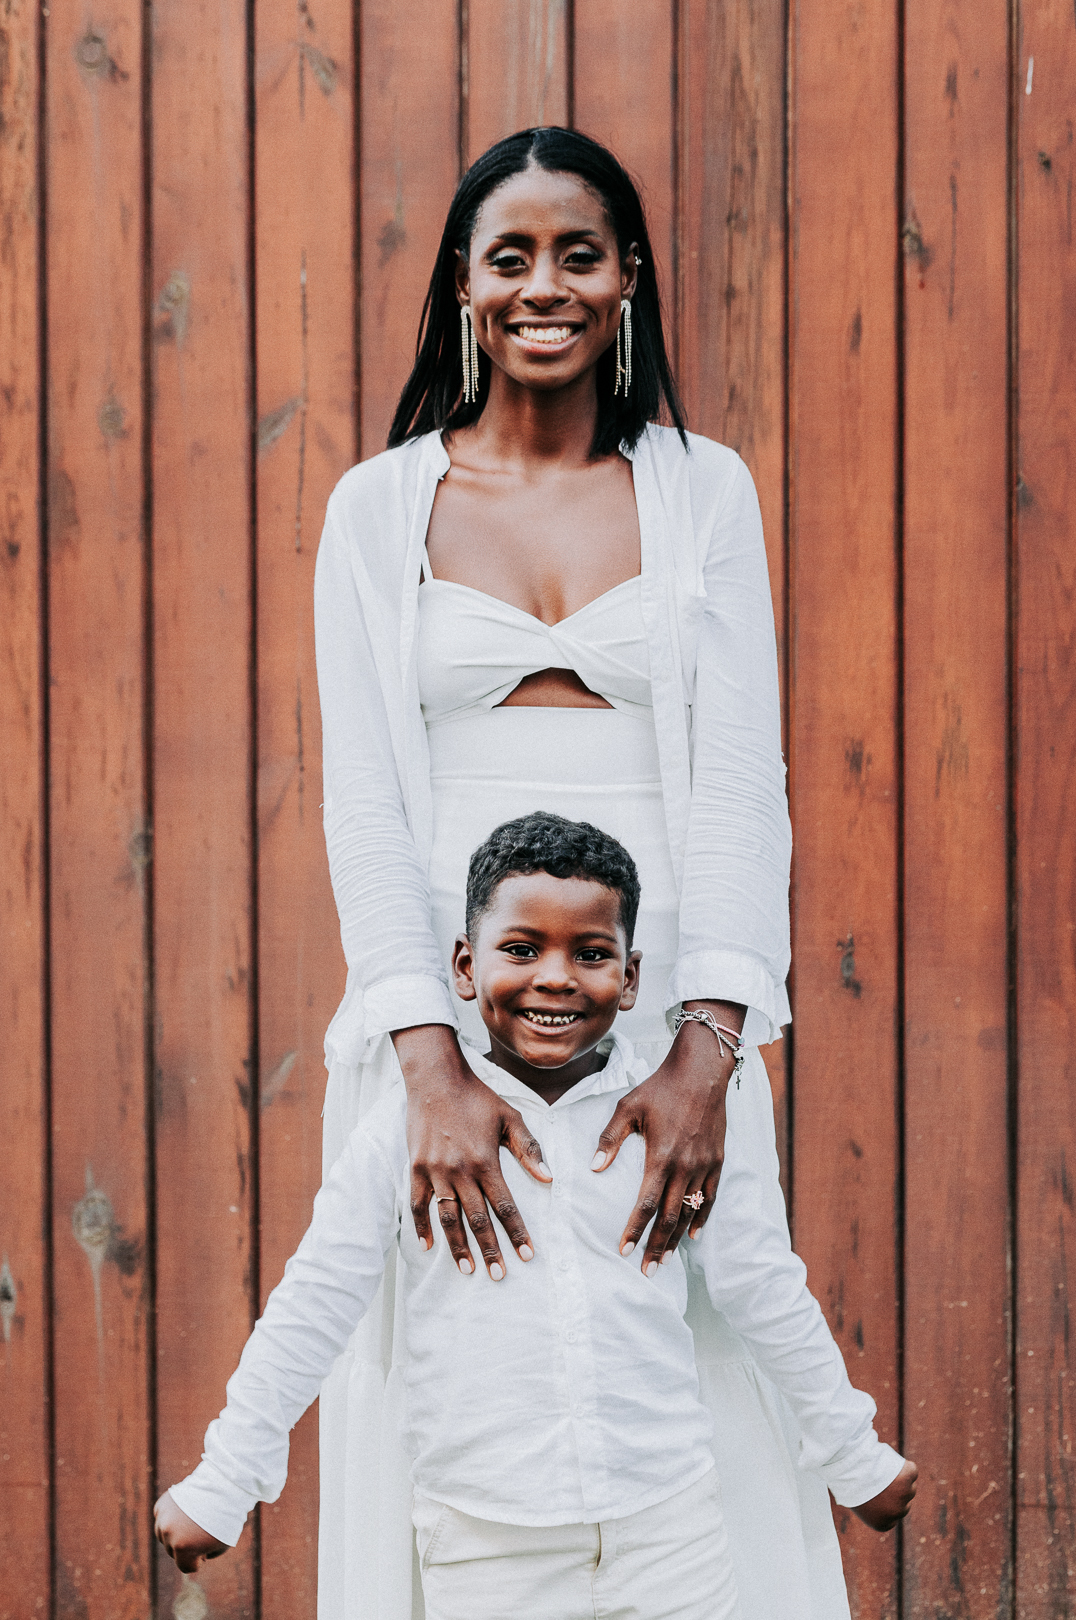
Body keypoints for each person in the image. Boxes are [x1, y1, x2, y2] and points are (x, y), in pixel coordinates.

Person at [312, 125, 882, 1616]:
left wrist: (709, 1051)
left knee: (695, 1393)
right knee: (458, 1378)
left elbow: (742, 787)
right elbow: (366, 805)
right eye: (512, 257)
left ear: (629, 280)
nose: (545, 286)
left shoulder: (706, 492)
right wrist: (426, 1070)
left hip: (657, 1027)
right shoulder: (378, 511)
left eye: (581, 254)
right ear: (462, 286)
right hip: (447, 1019)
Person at [155, 816, 916, 1620]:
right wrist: (225, 1477)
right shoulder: (406, 1132)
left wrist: (851, 1451)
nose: (556, 978)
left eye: (590, 954)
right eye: (521, 950)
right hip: (488, 1538)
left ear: (630, 978)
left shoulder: (677, 1127)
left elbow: (765, 1287)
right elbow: (313, 1303)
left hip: (669, 1523)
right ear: (463, 965)